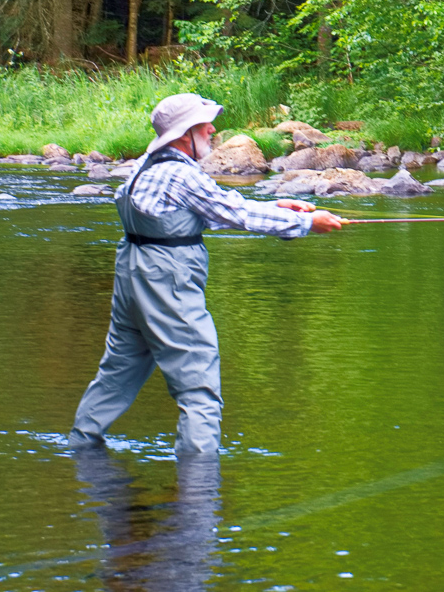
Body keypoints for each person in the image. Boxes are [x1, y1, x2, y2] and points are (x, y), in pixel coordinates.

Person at [70, 92, 344, 455]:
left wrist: (277, 206)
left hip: (132, 273)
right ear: (186, 134)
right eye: (205, 125)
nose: (213, 129)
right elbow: (236, 215)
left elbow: (199, 213)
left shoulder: (145, 166)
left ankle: (80, 446)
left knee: (118, 370)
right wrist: (307, 222)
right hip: (166, 281)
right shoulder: (181, 174)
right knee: (198, 386)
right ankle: (198, 483)